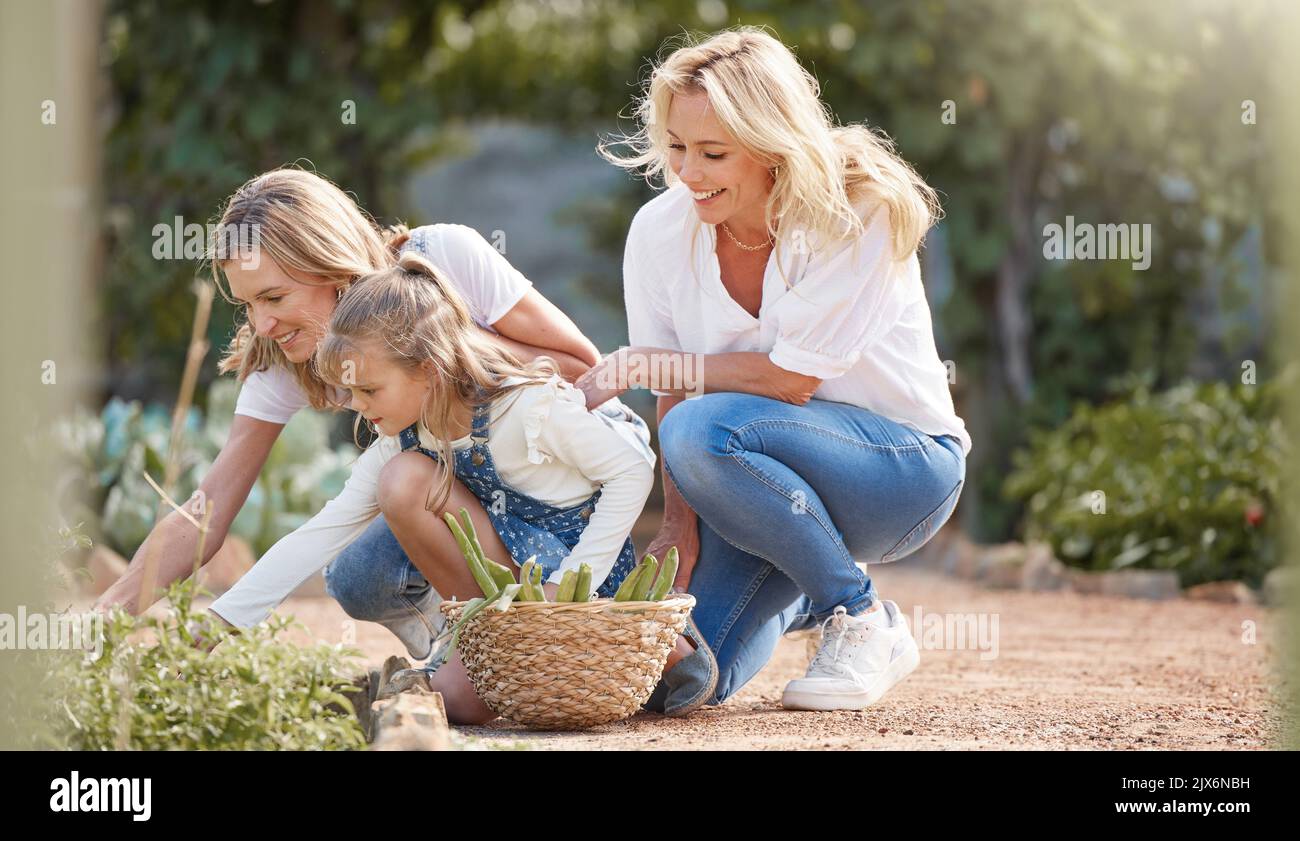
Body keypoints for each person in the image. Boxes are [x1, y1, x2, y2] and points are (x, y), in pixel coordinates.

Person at [581, 27, 971, 712]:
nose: (687, 173)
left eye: (712, 153)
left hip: (902, 472)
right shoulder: (658, 232)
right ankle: (801, 586)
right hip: (763, 491)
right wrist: (678, 528)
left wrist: (652, 364)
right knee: (672, 678)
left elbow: (792, 382)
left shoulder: (860, 208)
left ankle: (861, 614)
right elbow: (672, 395)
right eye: (676, 147)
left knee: (704, 427)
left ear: (769, 144)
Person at [209, 250, 661, 724]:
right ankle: (480, 639)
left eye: (370, 390)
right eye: (352, 393)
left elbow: (631, 471)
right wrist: (222, 619)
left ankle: (661, 652)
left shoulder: (528, 409)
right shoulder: (404, 438)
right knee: (461, 704)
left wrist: (568, 585)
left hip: (576, 586)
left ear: (428, 370)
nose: (359, 408)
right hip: (510, 592)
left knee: (643, 687)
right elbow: (322, 532)